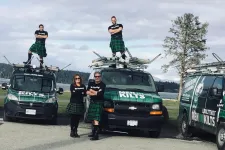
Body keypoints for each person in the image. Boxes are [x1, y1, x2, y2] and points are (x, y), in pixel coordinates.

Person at [86, 71, 106, 140]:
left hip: (98, 102)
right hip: (92, 102)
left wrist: (93, 91)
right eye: (96, 76)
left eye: (98, 76)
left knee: (96, 119)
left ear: (100, 77)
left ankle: (96, 135)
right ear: (94, 77)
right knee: (92, 118)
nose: (97, 78)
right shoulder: (91, 83)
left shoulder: (103, 85)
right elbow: (87, 92)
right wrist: (95, 92)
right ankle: (93, 132)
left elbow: (100, 94)